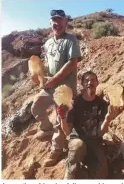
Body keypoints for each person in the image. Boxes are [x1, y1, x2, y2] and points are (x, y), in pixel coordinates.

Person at [31, 9, 81, 162]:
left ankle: (57, 150)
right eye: (53, 20)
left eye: (59, 20)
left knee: (61, 118)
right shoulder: (47, 43)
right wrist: (38, 76)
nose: (56, 23)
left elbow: (72, 63)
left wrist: (55, 79)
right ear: (50, 22)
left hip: (65, 88)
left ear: (66, 22)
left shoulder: (71, 40)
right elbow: (47, 65)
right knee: (36, 106)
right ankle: (46, 128)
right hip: (49, 85)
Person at [57, 71, 122, 179]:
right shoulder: (74, 103)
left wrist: (108, 119)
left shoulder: (102, 104)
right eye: (86, 80)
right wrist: (62, 117)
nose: (89, 83)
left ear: (97, 83)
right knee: (78, 146)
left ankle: (83, 173)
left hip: (94, 142)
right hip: (77, 140)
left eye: (92, 80)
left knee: (102, 174)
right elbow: (67, 131)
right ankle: (70, 170)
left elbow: (101, 132)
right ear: (82, 84)